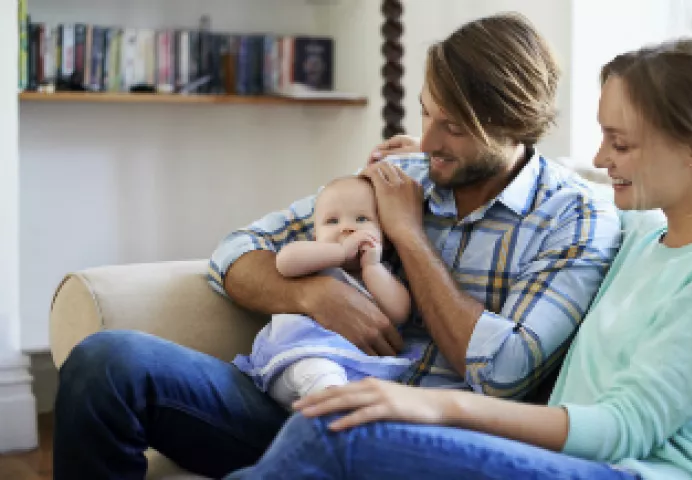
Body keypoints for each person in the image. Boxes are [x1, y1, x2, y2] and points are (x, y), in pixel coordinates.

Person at [52, 13, 621, 479]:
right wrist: (315, 295)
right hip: (296, 395)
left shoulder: (576, 215)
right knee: (108, 360)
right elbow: (235, 253)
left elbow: (501, 373)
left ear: (513, 122)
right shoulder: (403, 174)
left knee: (319, 439)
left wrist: (408, 234)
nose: (425, 141)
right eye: (426, 112)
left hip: (408, 444)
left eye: (452, 126)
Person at [221, 38, 692, 480]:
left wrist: (437, 408)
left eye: (621, 144)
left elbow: (625, 427)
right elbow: (555, 195)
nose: (601, 156)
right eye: (602, 137)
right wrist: (431, 161)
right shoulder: (646, 232)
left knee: (334, 432)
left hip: (636, 471)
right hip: (574, 459)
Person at [233, 176, 415, 408]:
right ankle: (331, 405)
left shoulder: (381, 273)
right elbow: (284, 262)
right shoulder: (314, 260)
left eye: (362, 219)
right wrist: (339, 252)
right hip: (299, 357)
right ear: (316, 236)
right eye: (331, 221)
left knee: (378, 394)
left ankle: (337, 415)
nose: (347, 227)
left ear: (385, 238)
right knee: (321, 372)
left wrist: (372, 267)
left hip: (357, 370)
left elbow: (399, 312)